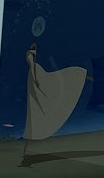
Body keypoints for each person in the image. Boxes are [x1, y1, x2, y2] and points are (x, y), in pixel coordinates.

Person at [21, 17, 88, 165]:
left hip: (35, 76)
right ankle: (27, 152)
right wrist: (36, 79)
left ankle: (27, 153)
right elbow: (32, 65)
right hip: (34, 77)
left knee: (36, 111)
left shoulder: (35, 56)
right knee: (35, 113)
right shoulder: (32, 59)